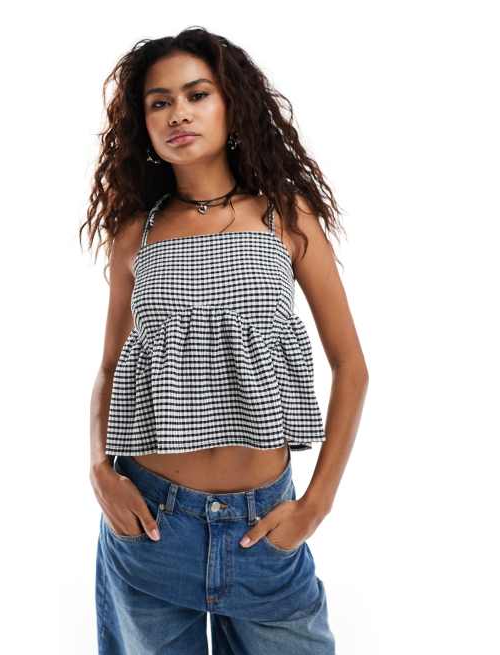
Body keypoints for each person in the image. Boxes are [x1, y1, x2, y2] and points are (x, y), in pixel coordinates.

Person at [83, 27, 369, 655]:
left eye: (197, 95)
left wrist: (316, 504)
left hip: (263, 529)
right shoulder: (137, 233)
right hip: (151, 525)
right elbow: (110, 365)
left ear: (231, 105)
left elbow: (351, 365)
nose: (178, 114)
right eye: (159, 102)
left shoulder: (285, 216)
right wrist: (100, 469)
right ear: (143, 124)